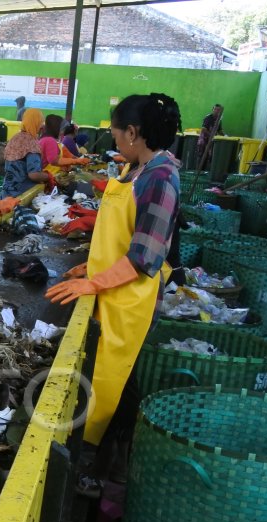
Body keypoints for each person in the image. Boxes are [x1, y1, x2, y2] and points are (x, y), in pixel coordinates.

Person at [45, 93, 182, 496]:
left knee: (116, 385)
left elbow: (144, 257)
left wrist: (94, 282)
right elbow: (124, 237)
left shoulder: (161, 177)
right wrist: (92, 266)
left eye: (116, 132)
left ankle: (100, 474)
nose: (114, 138)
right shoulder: (139, 168)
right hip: (112, 288)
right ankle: (107, 465)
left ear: (134, 133)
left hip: (130, 299)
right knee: (110, 382)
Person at [1, 108, 53, 198]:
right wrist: (48, 176)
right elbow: (34, 175)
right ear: (37, 123)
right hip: (22, 195)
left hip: (6, 193)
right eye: (41, 122)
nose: (42, 127)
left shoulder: (15, 138)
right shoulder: (31, 143)